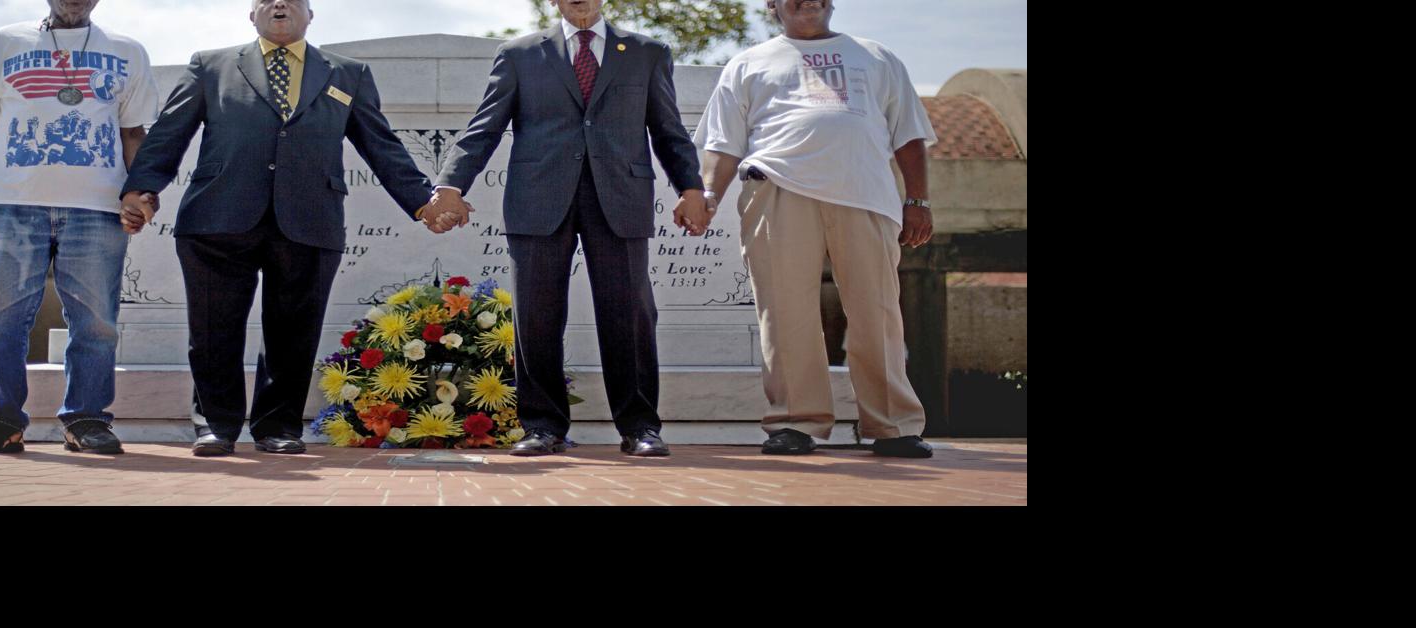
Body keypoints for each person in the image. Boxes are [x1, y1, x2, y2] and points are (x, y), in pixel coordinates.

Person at [118, 0, 451, 456]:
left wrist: (422, 202)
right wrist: (141, 188)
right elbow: (169, 133)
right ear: (251, 14)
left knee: (294, 331)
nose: (280, 4)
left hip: (310, 218)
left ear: (310, 15)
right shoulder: (210, 66)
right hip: (217, 218)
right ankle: (216, 426)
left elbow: (381, 144)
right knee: (213, 330)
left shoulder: (347, 73)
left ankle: (278, 427)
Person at [429, 0, 711, 458]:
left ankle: (640, 426)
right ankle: (543, 426)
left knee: (630, 315)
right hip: (538, 198)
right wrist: (450, 185)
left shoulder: (647, 52)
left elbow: (668, 129)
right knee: (536, 316)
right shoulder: (520, 54)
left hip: (620, 197)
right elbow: (485, 127)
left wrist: (691, 188)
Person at [695, 0, 937, 457]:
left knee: (877, 312)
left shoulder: (877, 56)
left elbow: (908, 134)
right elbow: (723, 142)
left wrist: (918, 200)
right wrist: (708, 196)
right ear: (772, 4)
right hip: (777, 190)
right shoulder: (747, 63)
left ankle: (894, 425)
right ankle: (794, 420)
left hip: (865, 193)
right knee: (785, 313)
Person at [0, 0, 159, 455]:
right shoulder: (6, 42)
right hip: (11, 203)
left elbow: (133, 133)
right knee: (0, 319)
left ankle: (86, 419)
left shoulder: (127, 51)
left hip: (97, 207)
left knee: (96, 322)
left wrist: (143, 191)